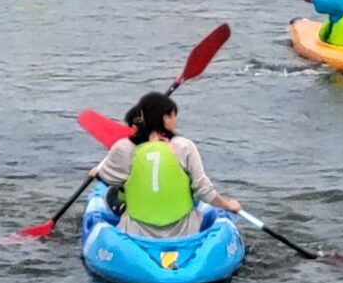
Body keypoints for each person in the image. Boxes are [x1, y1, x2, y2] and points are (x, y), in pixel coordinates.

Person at [90, 90, 240, 239]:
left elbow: (107, 179)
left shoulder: (124, 147)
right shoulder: (184, 146)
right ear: (164, 118)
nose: (176, 121)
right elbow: (204, 190)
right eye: (174, 115)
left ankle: (122, 209)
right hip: (184, 233)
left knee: (115, 193)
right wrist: (228, 206)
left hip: (137, 234)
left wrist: (97, 173)